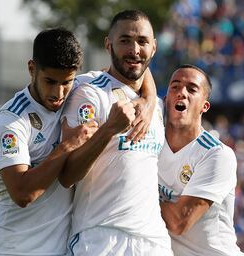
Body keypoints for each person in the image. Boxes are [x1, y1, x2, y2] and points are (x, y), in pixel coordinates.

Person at [0, 28, 98, 256]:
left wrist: (149, 99)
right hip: (6, 251)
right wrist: (67, 147)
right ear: (32, 68)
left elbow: (129, 69)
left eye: (66, 82)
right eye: (50, 81)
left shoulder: (79, 89)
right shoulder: (10, 121)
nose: (58, 92)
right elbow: (22, 193)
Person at [60, 10, 173, 255]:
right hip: (101, 238)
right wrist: (110, 129)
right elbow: (68, 176)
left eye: (142, 42)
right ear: (108, 44)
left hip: (154, 241)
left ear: (154, 47)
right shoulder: (89, 92)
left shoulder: (156, 105)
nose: (134, 50)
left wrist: (150, 98)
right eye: (125, 41)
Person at [158, 64, 244, 255]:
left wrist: (130, 194)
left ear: (204, 106)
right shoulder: (150, 144)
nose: (182, 92)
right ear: (166, 100)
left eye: (192, 89)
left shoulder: (217, 154)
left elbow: (179, 221)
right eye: (175, 86)